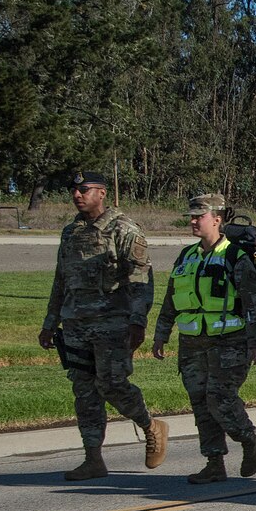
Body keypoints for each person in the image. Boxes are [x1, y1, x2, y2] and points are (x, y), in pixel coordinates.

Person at [40, 170, 166, 479]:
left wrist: (138, 321)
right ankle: (93, 457)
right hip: (75, 326)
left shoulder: (124, 230)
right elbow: (61, 280)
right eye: (74, 190)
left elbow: (140, 280)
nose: (77, 195)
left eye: (84, 189)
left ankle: (151, 426)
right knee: (84, 391)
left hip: (112, 325)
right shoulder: (70, 232)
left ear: (102, 193)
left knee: (111, 385)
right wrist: (50, 321)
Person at [152, 193, 256, 484]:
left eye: (198, 216)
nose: (192, 221)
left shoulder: (234, 257)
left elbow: (254, 303)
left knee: (220, 400)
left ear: (217, 219)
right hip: (192, 344)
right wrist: (161, 334)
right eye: (191, 216)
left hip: (229, 342)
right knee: (201, 404)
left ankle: (249, 440)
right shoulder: (187, 256)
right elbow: (171, 299)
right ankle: (214, 462)